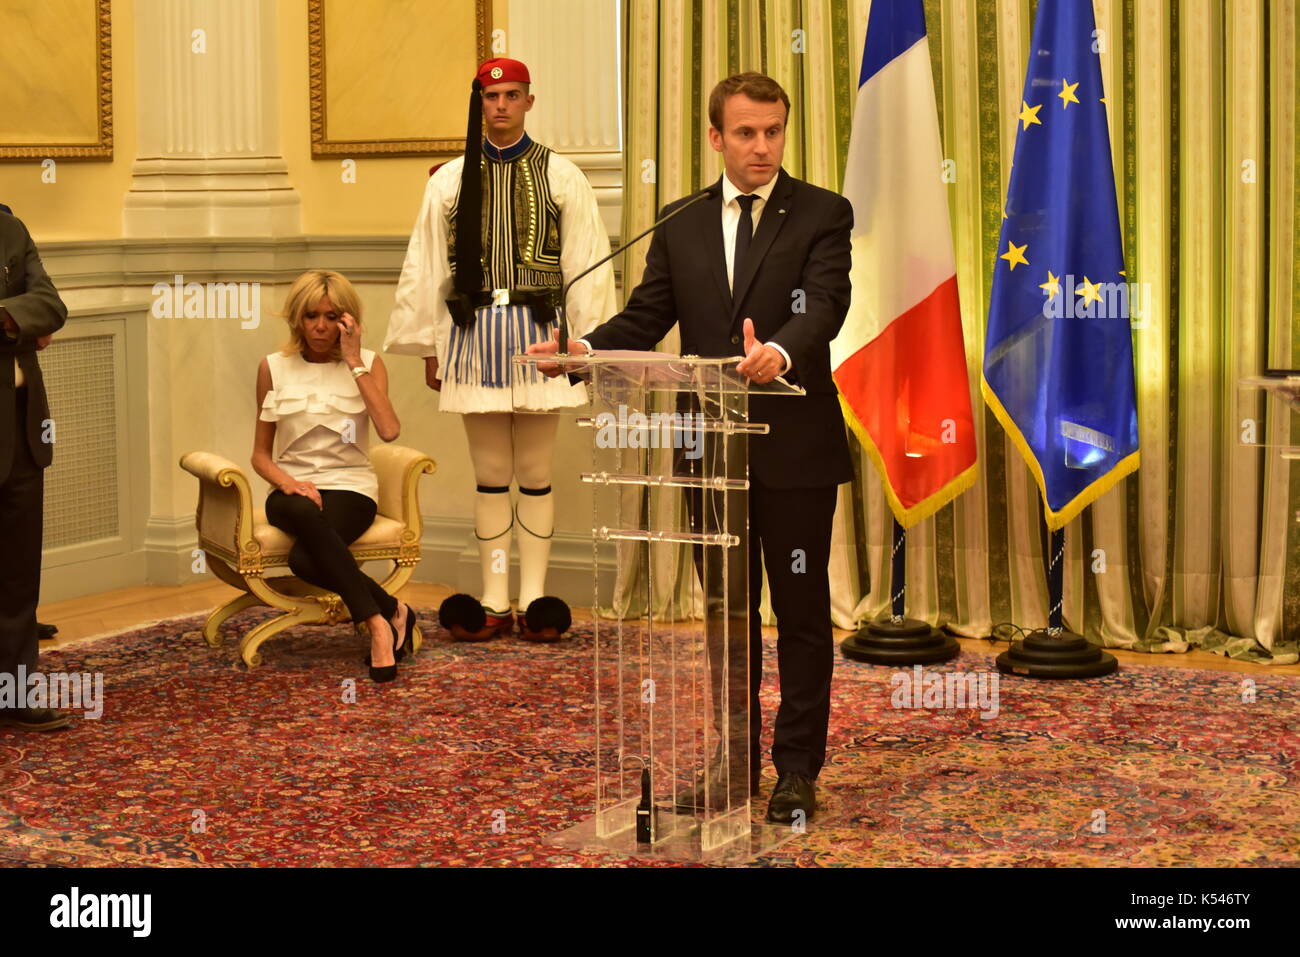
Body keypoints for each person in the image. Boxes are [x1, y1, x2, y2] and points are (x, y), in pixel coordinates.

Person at [529, 72, 853, 823]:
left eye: (773, 131)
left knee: (800, 613)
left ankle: (796, 768)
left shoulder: (821, 213)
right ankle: (733, 759)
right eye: (746, 133)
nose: (762, 146)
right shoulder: (680, 222)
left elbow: (824, 306)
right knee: (727, 612)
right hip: (710, 450)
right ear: (716, 138)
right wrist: (583, 349)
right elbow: (646, 319)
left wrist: (778, 348)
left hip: (796, 446)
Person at [385, 57, 616, 642]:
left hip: (542, 335)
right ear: (479, 104)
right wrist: (429, 348)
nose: (502, 107)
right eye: (492, 97)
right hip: (473, 332)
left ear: (530, 102)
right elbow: (428, 266)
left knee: (535, 470)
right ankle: (492, 597)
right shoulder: (449, 180)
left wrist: (586, 347)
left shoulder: (564, 176)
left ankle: (535, 598)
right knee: (490, 473)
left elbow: (586, 268)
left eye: (512, 96)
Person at [252, 270, 413, 682]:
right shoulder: (273, 368)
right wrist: (289, 483)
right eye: (310, 316)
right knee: (303, 509)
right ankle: (382, 620)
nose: (320, 327)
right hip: (290, 490)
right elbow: (260, 456)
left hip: (351, 487)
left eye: (330, 316)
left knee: (305, 560)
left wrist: (355, 361)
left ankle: (391, 615)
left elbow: (390, 430)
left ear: (348, 321)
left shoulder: (370, 363)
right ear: (296, 319)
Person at [0, 210, 70, 730]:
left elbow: (51, 305)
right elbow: (32, 319)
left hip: (22, 433)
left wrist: (11, 321)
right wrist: (20, 327)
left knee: (18, 576)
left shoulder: (9, 228)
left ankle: (14, 694)